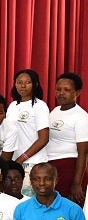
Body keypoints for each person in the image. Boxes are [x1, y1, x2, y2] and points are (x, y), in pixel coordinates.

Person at [47, 72, 87, 203]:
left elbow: (83, 153)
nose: (61, 93)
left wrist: (76, 183)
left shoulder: (81, 117)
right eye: (58, 89)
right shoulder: (55, 111)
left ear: (77, 92)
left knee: (65, 212)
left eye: (67, 90)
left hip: (69, 167)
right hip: (51, 165)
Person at [7, 70, 50, 192]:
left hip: (32, 163)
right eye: (19, 82)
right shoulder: (12, 105)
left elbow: (43, 139)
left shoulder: (40, 106)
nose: (23, 86)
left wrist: (22, 158)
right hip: (14, 163)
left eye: (27, 82)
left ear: (35, 84)